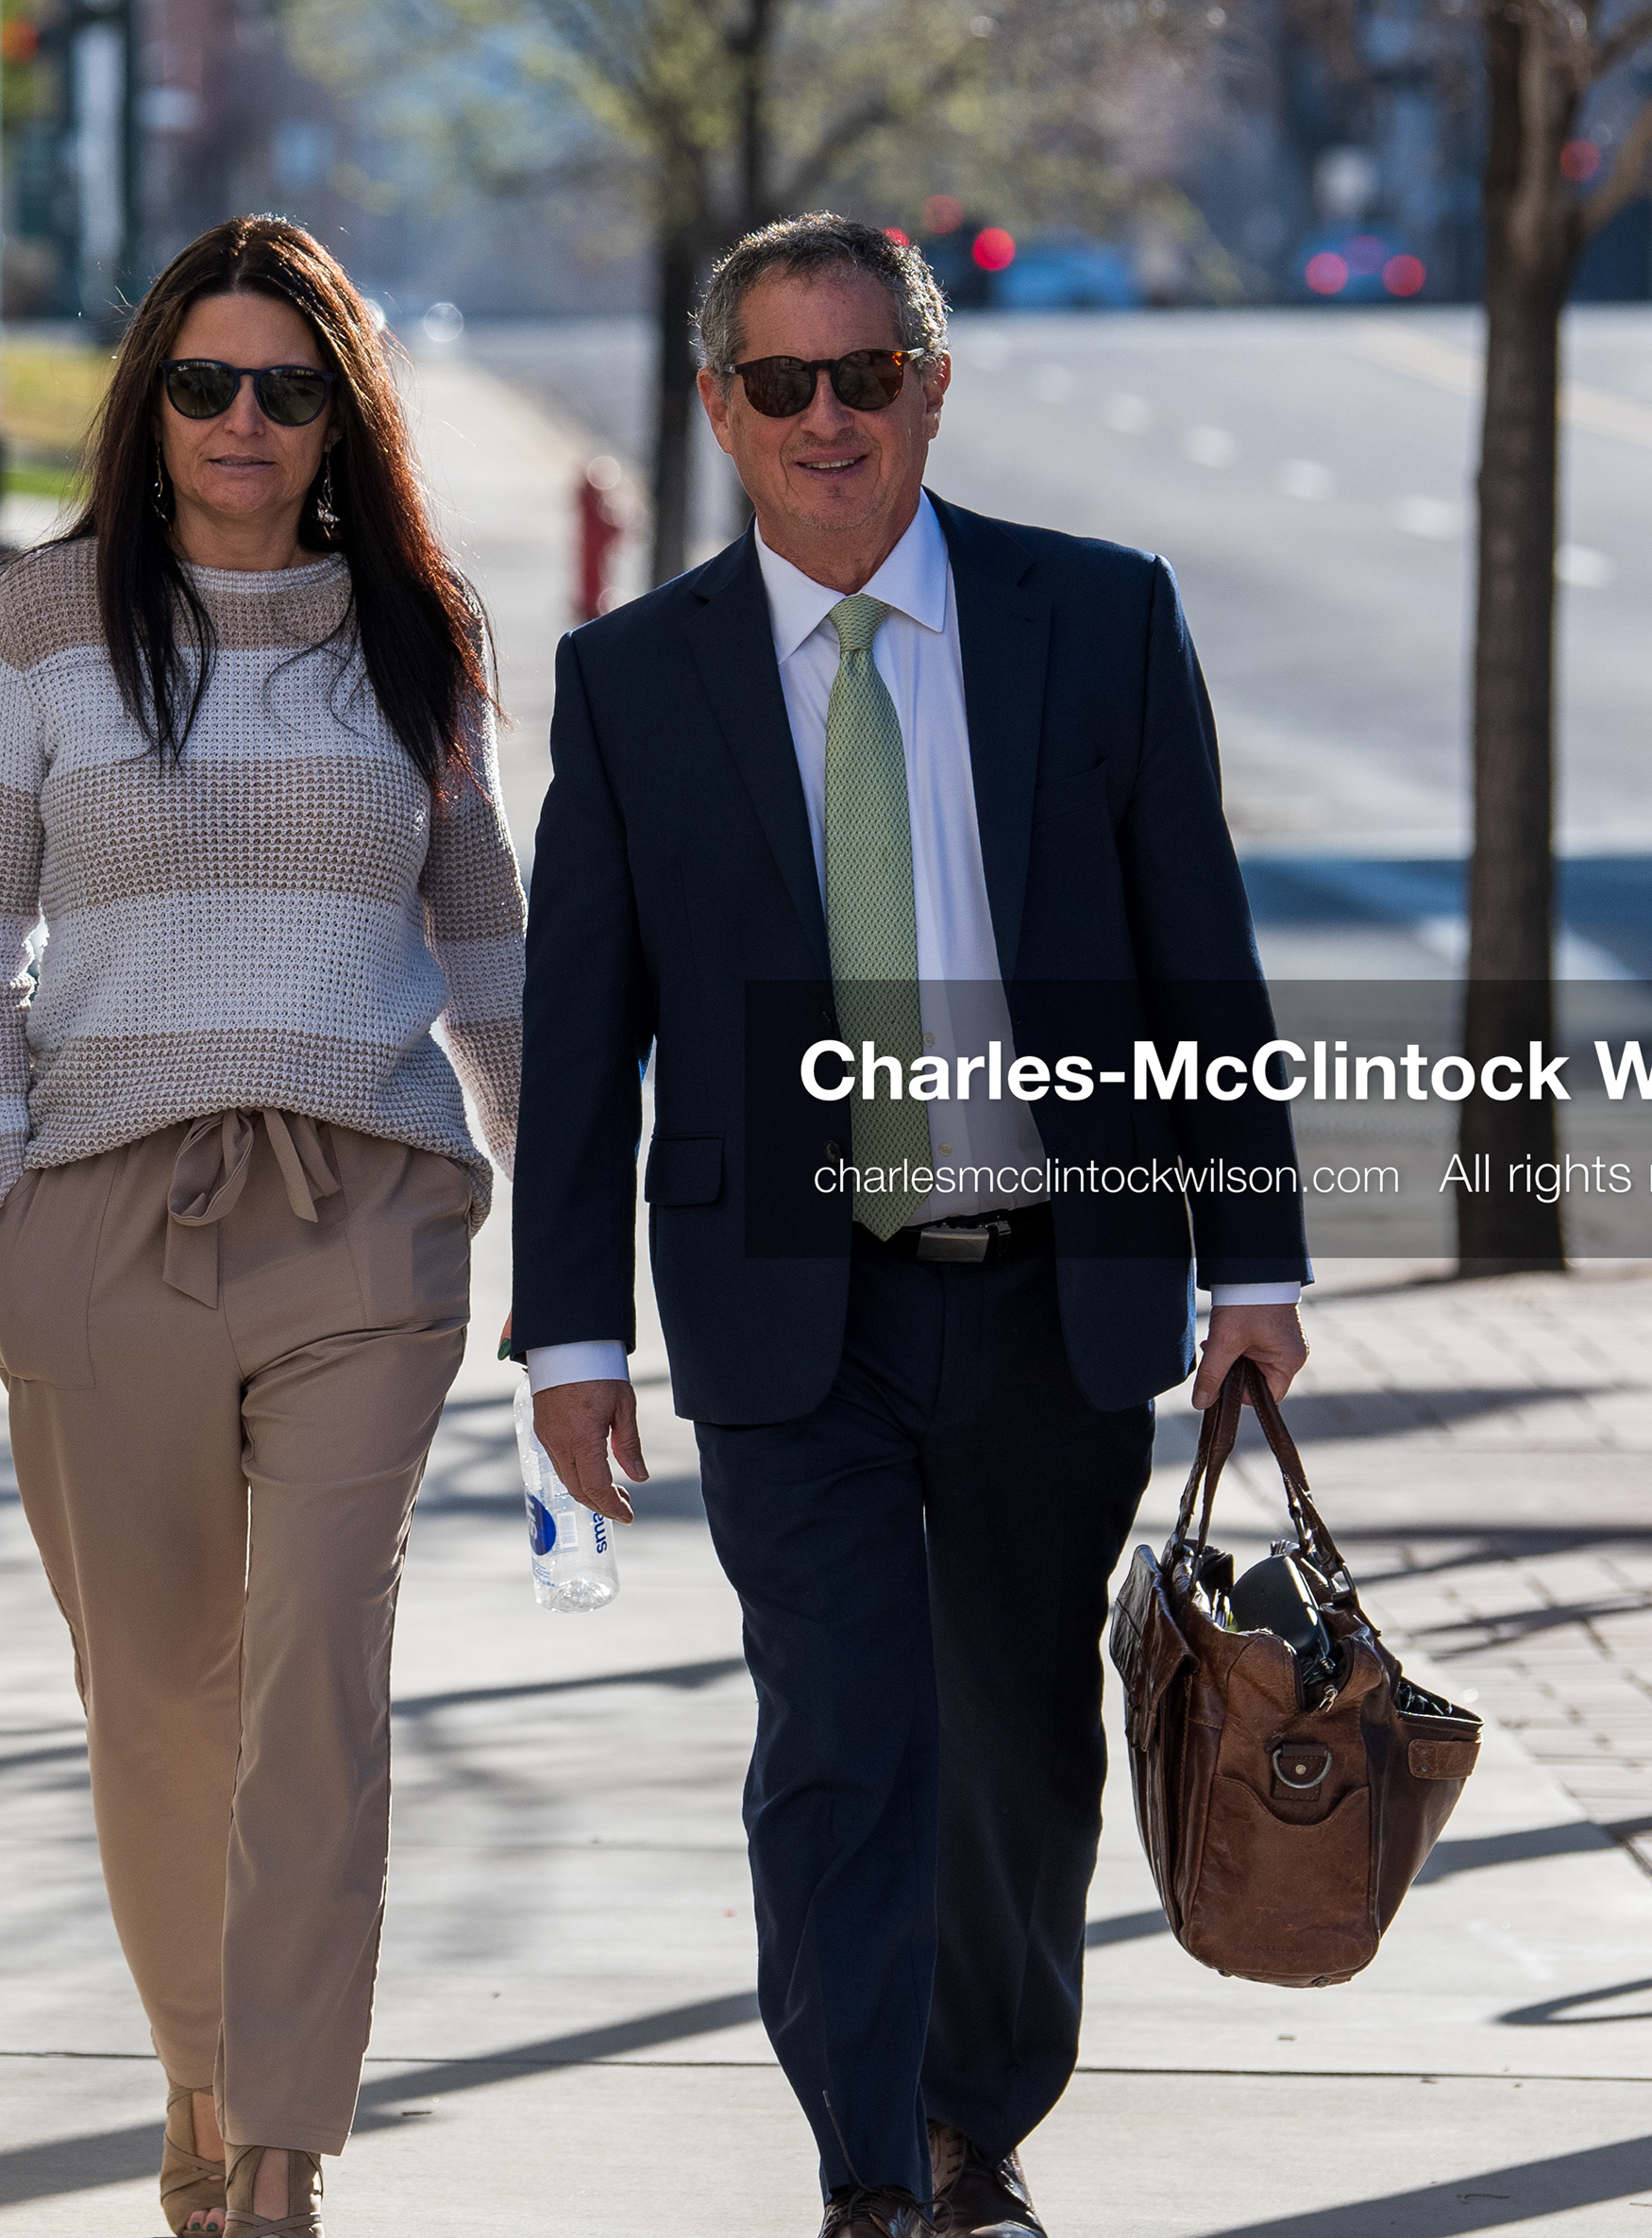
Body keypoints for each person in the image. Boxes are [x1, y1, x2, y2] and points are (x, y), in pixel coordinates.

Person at [510, 213, 1311, 2238]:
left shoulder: (1100, 622)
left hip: (1054, 1288)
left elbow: (1197, 962)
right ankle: (878, 2167)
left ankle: (983, 2121)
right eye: (778, 383)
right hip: (795, 1315)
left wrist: (1257, 1260)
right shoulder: (632, 684)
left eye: (865, 375)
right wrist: (573, 1335)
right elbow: (583, 1026)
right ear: (720, 407)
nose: (825, 419)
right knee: (844, 1738)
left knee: (1022, 1757)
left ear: (933, 388)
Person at [0, 215, 522, 2238]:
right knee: (159, 1688)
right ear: (151, 406)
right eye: (206, 382)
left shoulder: (417, 630)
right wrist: (7, 1186)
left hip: (362, 1207)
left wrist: (561, 1255)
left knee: (315, 1684)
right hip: (106, 1210)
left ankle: (276, 2153)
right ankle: (197, 2063)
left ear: (339, 412)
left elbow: (486, 946)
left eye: (288, 385)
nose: (245, 419)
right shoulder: (43, 623)